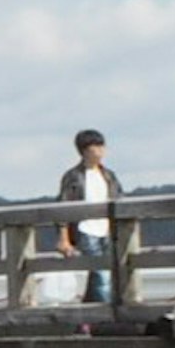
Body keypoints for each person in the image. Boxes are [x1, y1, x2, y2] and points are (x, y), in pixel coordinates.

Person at [55, 130, 117, 306]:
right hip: (86, 230)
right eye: (96, 146)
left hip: (107, 231)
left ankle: (85, 320)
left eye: (102, 146)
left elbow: (120, 201)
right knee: (101, 274)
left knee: (100, 276)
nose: (101, 150)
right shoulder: (74, 177)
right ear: (84, 150)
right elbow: (62, 208)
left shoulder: (109, 175)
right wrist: (64, 238)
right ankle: (108, 316)